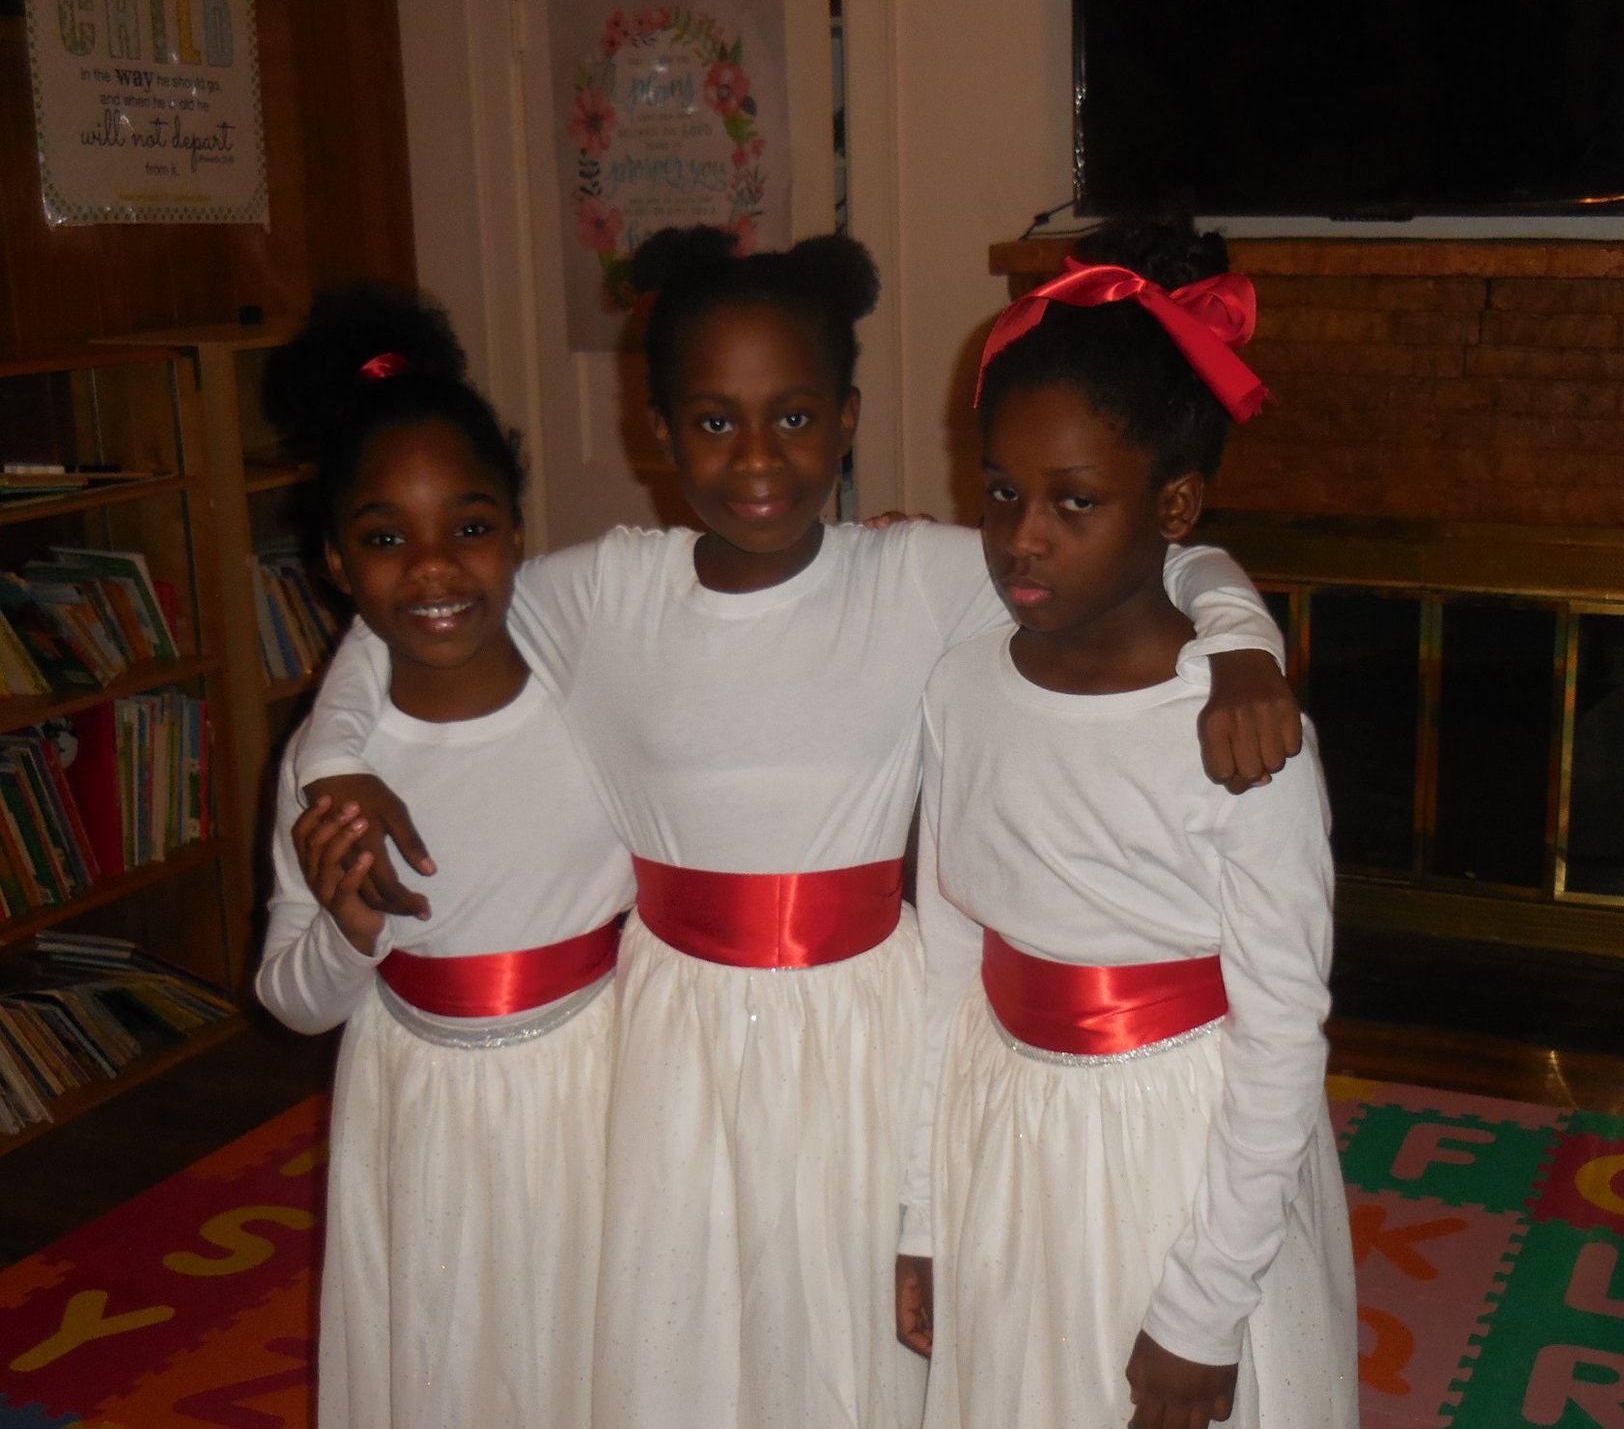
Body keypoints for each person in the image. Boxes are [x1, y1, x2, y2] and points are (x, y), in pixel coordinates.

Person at [290, 228, 1300, 1429]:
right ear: (657, 435)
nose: (756, 458)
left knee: (852, 1321)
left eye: (795, 416)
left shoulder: (919, 574)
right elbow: (414, 606)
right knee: (688, 1317)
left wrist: (1241, 635)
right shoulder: (606, 591)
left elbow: (1145, 550)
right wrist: (334, 763)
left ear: (851, 419)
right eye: (714, 422)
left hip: (863, 1023)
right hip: (673, 1029)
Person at [899, 219, 1359, 1429]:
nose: (1022, 536)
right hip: (1003, 1136)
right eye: (1001, 492)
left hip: (1172, 1159)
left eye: (1074, 501)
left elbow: (1279, 1035)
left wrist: (1205, 1310)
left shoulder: (1240, 733)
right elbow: (944, 962)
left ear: (1175, 505)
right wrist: (922, 1215)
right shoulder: (959, 687)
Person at [253, 284, 633, 1428]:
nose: (432, 569)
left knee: (599, 1353)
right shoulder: (329, 771)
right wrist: (352, 923)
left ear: (518, 530)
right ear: (333, 562)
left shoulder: (594, 697)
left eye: (468, 528)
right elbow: (294, 1000)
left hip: (602, 1091)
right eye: (384, 538)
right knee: (453, 1360)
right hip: (421, 1108)